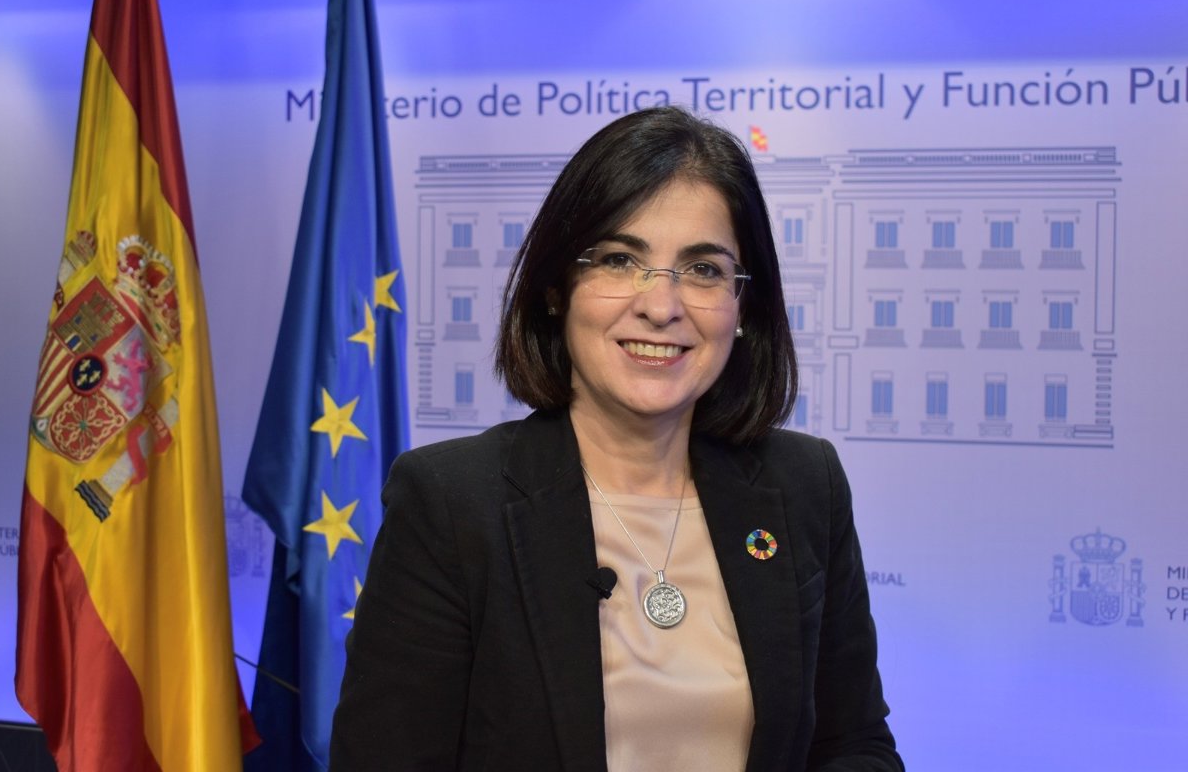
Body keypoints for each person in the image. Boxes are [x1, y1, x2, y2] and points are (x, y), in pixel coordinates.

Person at [331, 106, 903, 771]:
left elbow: (854, 746)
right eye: (620, 260)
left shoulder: (805, 485)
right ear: (556, 289)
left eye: (704, 269)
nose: (661, 306)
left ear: (743, 305)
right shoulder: (452, 505)